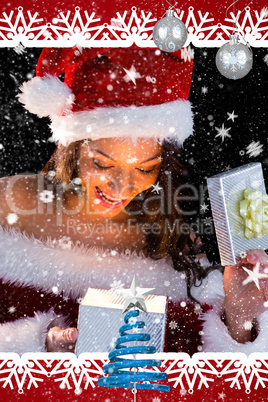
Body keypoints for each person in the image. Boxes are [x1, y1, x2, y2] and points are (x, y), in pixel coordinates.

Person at [0, 46, 267, 355]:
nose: (122, 186)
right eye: (102, 164)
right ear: (72, 149)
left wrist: (241, 317)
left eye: (144, 168)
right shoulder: (9, 204)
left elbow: (202, 379)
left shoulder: (175, 241)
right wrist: (32, 350)